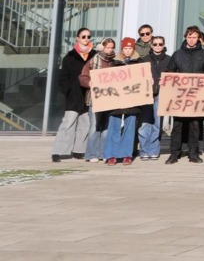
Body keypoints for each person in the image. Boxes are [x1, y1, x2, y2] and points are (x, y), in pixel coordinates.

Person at [164, 26, 204, 163]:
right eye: (189, 37)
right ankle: (174, 153)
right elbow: (170, 71)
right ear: (185, 37)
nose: (191, 40)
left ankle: (193, 153)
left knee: (194, 125)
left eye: (194, 37)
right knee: (177, 126)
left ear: (198, 39)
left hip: (196, 97)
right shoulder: (177, 54)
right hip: (180, 96)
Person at [51, 27, 95, 162]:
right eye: (83, 37)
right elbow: (63, 77)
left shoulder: (94, 55)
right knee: (68, 122)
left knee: (85, 123)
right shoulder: (70, 56)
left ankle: (79, 150)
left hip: (88, 95)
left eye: (88, 37)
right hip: (74, 94)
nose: (86, 39)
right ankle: (59, 151)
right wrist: (68, 91)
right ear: (77, 38)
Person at [103, 38, 145, 165]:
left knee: (130, 127)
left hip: (132, 100)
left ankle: (126, 154)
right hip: (116, 100)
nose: (128, 51)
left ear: (133, 49)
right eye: (125, 48)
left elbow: (143, 78)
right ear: (122, 49)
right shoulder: (114, 62)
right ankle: (111, 155)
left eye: (130, 48)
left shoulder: (139, 62)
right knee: (113, 126)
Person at [81, 37, 117, 162]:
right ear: (103, 47)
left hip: (109, 99)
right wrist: (89, 82)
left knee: (106, 127)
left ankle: (103, 153)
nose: (109, 50)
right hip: (95, 99)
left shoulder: (114, 62)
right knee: (94, 127)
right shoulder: (93, 60)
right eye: (107, 47)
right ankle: (91, 154)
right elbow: (83, 76)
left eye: (112, 47)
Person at [137, 34, 171, 160]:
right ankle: (144, 150)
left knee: (157, 123)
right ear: (151, 45)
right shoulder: (144, 59)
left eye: (160, 44)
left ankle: (154, 150)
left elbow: (174, 75)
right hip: (146, 94)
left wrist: (167, 79)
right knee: (145, 124)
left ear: (164, 45)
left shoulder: (169, 60)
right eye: (155, 44)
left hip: (161, 94)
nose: (157, 46)